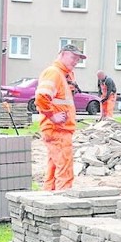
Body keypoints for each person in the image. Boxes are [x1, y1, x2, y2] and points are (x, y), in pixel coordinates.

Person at [35, 44, 87, 191]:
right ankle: (61, 204)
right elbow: (41, 97)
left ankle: (47, 200)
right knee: (65, 172)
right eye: (73, 57)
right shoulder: (54, 73)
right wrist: (52, 116)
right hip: (57, 130)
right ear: (62, 54)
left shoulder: (63, 74)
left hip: (59, 130)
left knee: (52, 172)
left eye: (78, 59)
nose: (76, 61)